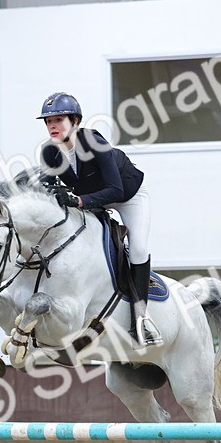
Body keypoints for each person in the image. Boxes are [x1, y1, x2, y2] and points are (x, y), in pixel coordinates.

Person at [35, 92, 161, 347]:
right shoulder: (50, 153)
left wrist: (79, 201)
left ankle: (141, 317)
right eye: (48, 121)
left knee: (138, 247)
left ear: (75, 121)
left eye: (58, 119)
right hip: (93, 198)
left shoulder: (93, 141)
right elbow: (48, 187)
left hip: (128, 195)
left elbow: (114, 190)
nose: (52, 126)